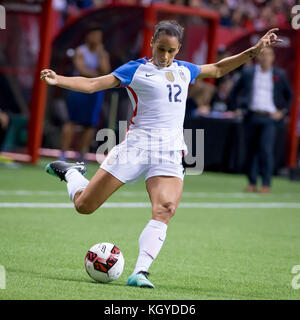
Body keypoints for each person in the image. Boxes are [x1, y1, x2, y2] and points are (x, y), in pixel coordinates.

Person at [40, 21, 281, 288]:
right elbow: (94, 83)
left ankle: (140, 272)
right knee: (85, 206)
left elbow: (218, 68)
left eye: (172, 51)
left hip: (170, 152)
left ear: (178, 50)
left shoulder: (183, 70)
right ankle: (72, 173)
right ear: (152, 42)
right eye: (161, 48)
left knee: (165, 209)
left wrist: (254, 51)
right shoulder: (136, 69)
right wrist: (58, 79)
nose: (165, 56)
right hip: (136, 147)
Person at [230, 47, 293, 193]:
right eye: (262, 54)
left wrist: (282, 112)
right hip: (251, 115)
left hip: (269, 118)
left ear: (273, 57)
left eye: (268, 55)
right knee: (250, 150)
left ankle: (266, 184)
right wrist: (238, 108)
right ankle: (252, 182)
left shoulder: (279, 74)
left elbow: (289, 96)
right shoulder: (249, 72)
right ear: (257, 57)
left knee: (266, 150)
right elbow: (235, 91)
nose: (265, 58)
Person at [60, 29, 110, 162]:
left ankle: (82, 154)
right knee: (72, 121)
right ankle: (63, 154)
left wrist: (100, 55)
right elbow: (82, 70)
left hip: (95, 92)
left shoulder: (103, 53)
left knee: (90, 124)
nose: (96, 38)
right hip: (78, 89)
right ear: (88, 35)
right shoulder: (80, 51)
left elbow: (106, 71)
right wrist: (98, 78)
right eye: (94, 35)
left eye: (99, 36)